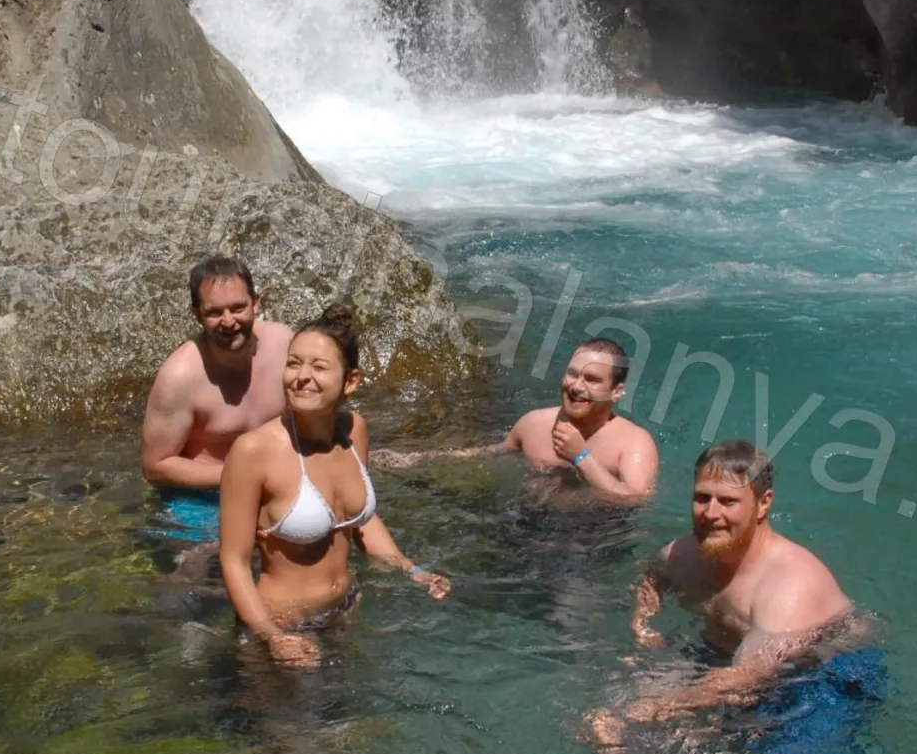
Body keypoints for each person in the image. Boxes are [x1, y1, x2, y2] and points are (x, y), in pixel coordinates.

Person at [586, 440, 885, 754]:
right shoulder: (681, 555)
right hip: (728, 657)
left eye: (728, 501)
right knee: (619, 706)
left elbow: (748, 680)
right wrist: (643, 627)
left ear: (763, 503)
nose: (710, 513)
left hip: (825, 675)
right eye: (702, 498)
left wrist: (650, 709)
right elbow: (653, 576)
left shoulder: (789, 586)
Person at [218, 305, 451, 669]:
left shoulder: (354, 431)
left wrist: (411, 570)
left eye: (319, 367)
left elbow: (359, 519)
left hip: (346, 610)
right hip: (283, 626)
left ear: (351, 381)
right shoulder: (253, 451)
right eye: (293, 364)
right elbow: (233, 561)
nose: (302, 377)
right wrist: (273, 638)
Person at [371, 337, 659, 504]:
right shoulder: (534, 424)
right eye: (572, 374)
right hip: (526, 521)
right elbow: (492, 453)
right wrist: (417, 459)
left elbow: (635, 499)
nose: (576, 386)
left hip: (592, 540)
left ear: (616, 391)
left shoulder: (633, 443)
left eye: (592, 380)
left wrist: (581, 457)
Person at [140, 255, 293, 545]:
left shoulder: (283, 344)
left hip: (275, 482)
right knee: (196, 567)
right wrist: (240, 475)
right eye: (214, 312)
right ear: (197, 314)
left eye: (238, 308)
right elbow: (155, 466)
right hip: (202, 499)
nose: (228, 322)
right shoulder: (180, 375)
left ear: (256, 303)